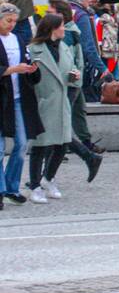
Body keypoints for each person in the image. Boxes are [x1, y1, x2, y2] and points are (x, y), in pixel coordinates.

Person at [47, 0, 103, 182]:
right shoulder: (64, 32)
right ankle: (46, 175)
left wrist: (69, 81)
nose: (46, 14)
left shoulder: (66, 35)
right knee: (62, 126)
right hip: (69, 85)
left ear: (60, 15)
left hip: (67, 86)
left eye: (50, 12)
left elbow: (70, 63)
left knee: (56, 128)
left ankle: (87, 157)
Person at [26, 14, 78, 204]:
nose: (64, 29)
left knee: (62, 144)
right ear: (52, 28)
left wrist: (75, 75)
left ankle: (48, 179)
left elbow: (71, 71)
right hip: (43, 101)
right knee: (40, 146)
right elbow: (28, 79)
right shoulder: (33, 49)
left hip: (61, 100)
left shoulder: (65, 48)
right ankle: (34, 185)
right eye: (62, 26)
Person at [0, 2, 43, 207]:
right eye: (8, 21)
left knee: (21, 144)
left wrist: (31, 70)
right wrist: (11, 70)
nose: (12, 25)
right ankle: (2, 189)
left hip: (17, 98)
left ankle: (10, 186)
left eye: (15, 21)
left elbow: (25, 60)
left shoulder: (17, 39)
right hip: (3, 97)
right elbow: (7, 68)